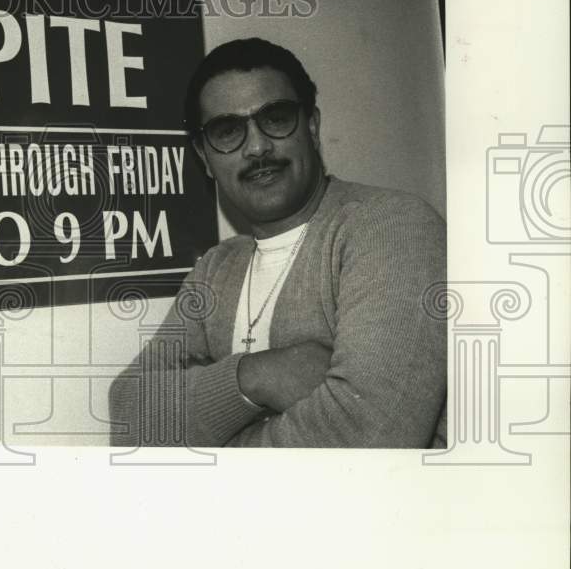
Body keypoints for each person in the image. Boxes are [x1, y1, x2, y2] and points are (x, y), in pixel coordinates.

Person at [108, 37, 447, 448]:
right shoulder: (216, 269)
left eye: (276, 117)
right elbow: (128, 412)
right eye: (228, 129)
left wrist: (208, 441)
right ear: (204, 158)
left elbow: (367, 438)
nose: (257, 146)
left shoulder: (390, 226)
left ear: (313, 127)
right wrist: (257, 376)